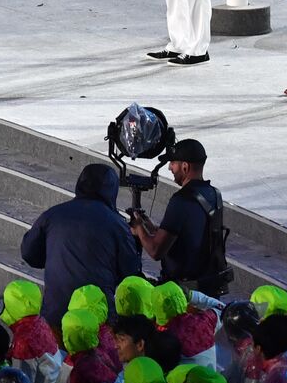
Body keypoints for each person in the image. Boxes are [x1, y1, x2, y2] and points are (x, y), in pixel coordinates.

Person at [20, 163, 142, 328]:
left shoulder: (52, 215)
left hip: (55, 314)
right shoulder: (117, 225)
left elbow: (29, 254)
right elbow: (131, 273)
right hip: (97, 317)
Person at [129, 139, 230, 296]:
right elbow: (191, 237)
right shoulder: (215, 194)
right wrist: (151, 228)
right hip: (209, 288)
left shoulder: (181, 200)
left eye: (172, 163)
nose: (170, 167)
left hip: (184, 295)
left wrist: (139, 229)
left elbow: (156, 251)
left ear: (185, 166)